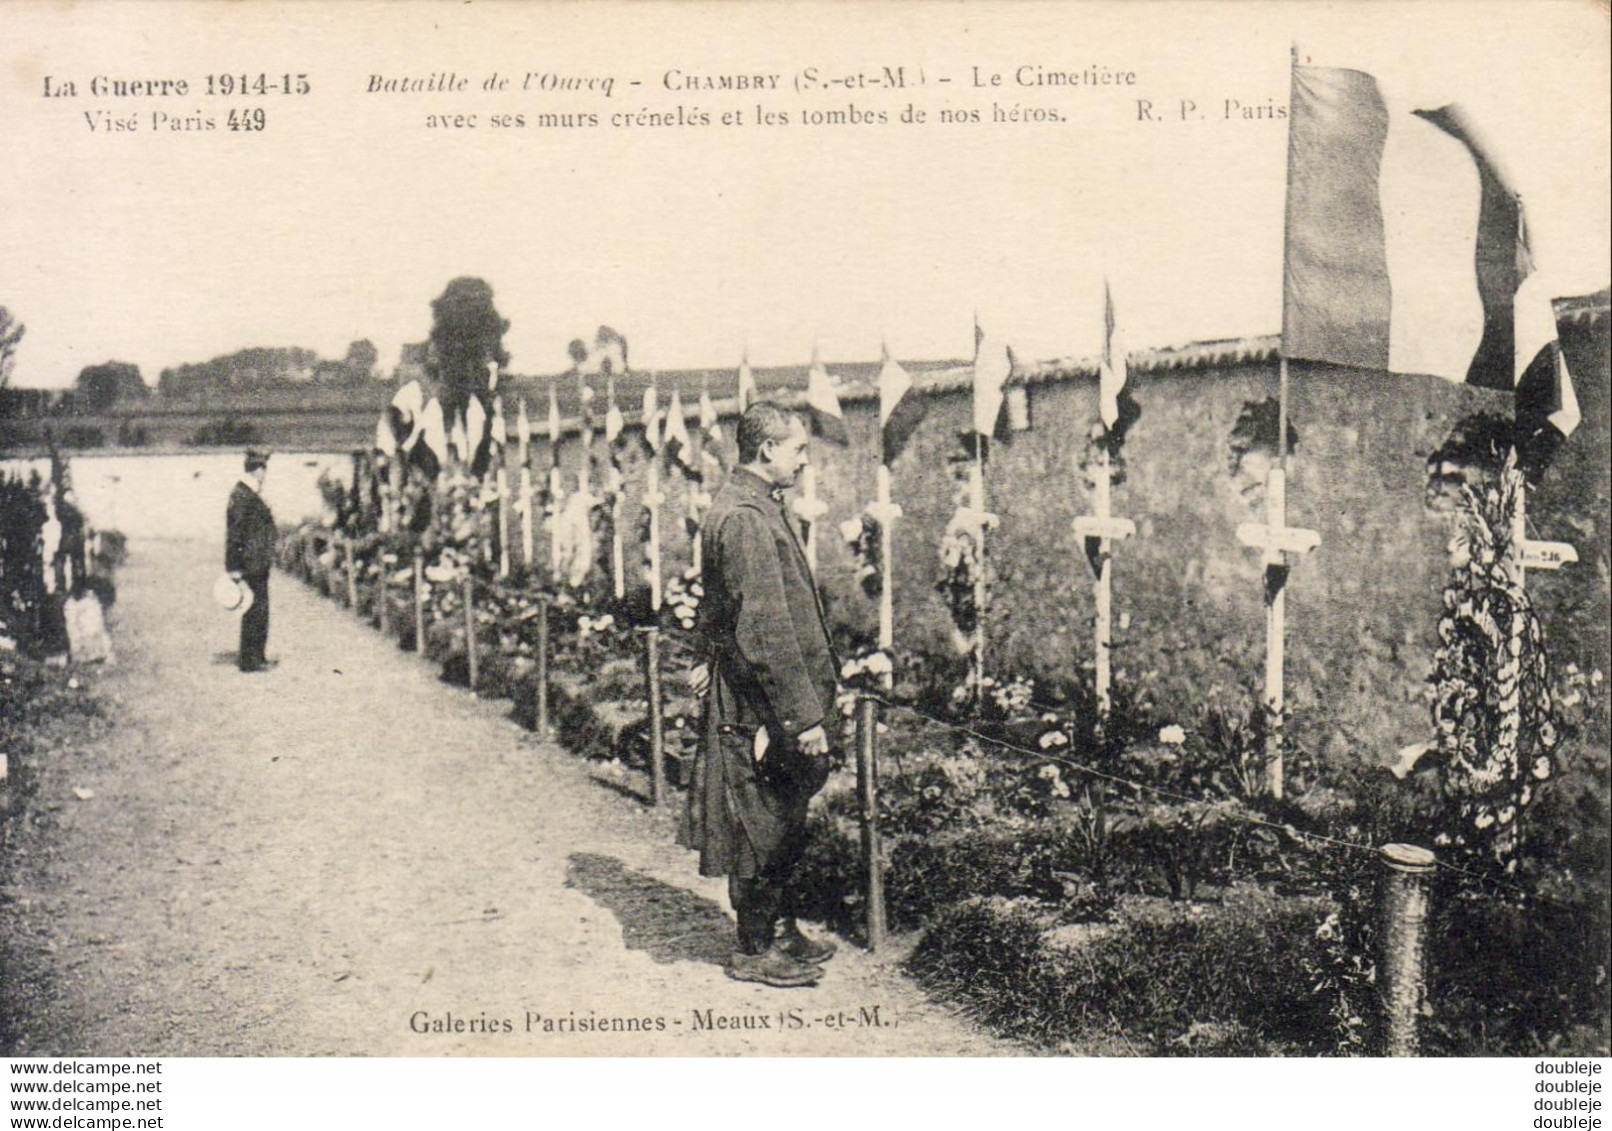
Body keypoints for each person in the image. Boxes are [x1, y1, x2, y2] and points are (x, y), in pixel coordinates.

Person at [679, 402, 840, 988]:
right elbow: (764, 625)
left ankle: (781, 925)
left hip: (763, 694)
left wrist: (702, 651)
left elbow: (719, 603)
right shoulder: (745, 516)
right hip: (758, 701)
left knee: (786, 810)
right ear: (767, 449)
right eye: (798, 449)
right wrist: (801, 717)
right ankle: (756, 945)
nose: (804, 459)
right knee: (760, 817)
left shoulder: (751, 506)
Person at [226, 448, 277, 672]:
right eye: (263, 469)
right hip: (250, 563)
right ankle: (250, 660)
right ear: (258, 470)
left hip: (257, 562)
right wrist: (234, 567)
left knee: (259, 609)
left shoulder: (248, 493)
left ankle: (257, 656)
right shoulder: (242, 494)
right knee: (254, 610)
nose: (264, 474)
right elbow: (235, 533)